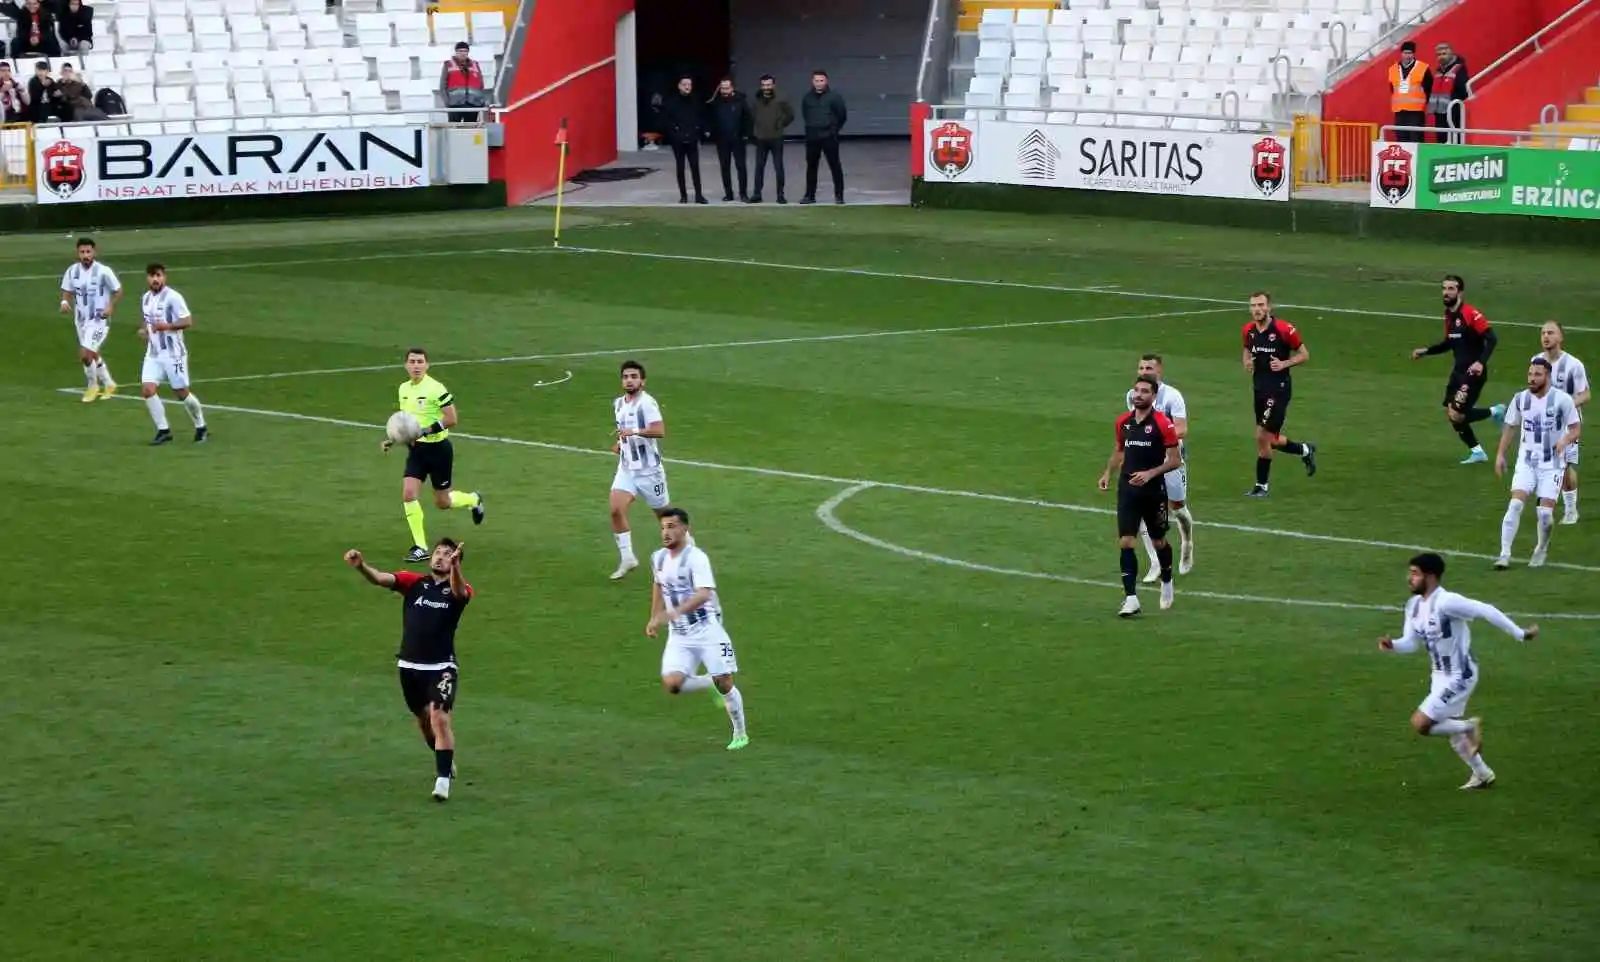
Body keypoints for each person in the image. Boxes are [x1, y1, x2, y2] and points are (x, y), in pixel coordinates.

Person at [1377, 552, 1537, 790]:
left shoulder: (1447, 602)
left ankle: (1469, 726)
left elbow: (1486, 609)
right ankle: (1482, 774)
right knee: (1446, 726)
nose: (1409, 579)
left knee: (1421, 723)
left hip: (1460, 675)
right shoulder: (1412, 606)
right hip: (1439, 676)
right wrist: (1394, 645)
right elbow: (1411, 643)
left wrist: (1519, 633)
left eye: (1415, 574)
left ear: (1430, 577)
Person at [344, 538, 472, 802]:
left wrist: (457, 568)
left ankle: (442, 780)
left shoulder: (459, 588)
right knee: (425, 722)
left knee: (440, 717)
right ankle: (443, 758)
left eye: (447, 555)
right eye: (437, 552)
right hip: (409, 667)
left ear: (454, 561)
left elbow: (461, 594)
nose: (440, 557)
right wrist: (361, 567)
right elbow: (380, 579)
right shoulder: (414, 582)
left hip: (442, 667)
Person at [645, 508, 748, 751]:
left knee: (724, 682)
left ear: (684, 529)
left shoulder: (696, 558)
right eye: (663, 528)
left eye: (671, 527)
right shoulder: (658, 558)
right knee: (672, 684)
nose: (666, 532)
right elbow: (658, 584)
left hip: (706, 629)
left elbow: (705, 593)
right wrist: (653, 617)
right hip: (679, 634)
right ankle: (707, 683)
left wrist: (677, 611)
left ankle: (740, 733)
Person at [385, 348, 485, 563]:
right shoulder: (403, 389)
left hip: (439, 450)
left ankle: (473, 499)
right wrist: (393, 440)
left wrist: (426, 431)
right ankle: (420, 547)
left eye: (420, 361)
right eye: (412, 361)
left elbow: (452, 418)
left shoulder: (435, 388)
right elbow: (406, 423)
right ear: (406, 365)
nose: (416, 365)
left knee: (443, 502)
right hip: (417, 451)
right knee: (408, 494)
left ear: (427, 365)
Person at [1099, 376, 1182, 617]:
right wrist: (1107, 473)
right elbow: (1119, 450)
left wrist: (1150, 473)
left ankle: (1167, 579)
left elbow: (1175, 460)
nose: (1138, 394)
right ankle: (1131, 598)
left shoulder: (1162, 424)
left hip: (1153, 490)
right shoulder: (1123, 422)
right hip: (1127, 490)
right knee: (1126, 541)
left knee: (1158, 541)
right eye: (1136, 390)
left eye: (1144, 391)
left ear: (1153, 396)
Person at [1493, 358, 1581, 569]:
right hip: (1527, 461)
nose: (1532, 378)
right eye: (1530, 374)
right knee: (1515, 505)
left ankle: (1541, 547)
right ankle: (1504, 555)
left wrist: (1564, 440)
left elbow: (1576, 428)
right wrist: (1500, 455)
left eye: (1537, 375)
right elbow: (1510, 427)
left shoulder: (1562, 400)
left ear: (1547, 377)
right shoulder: (1520, 399)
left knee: (1545, 515)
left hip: (1552, 464)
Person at [1410, 274, 1504, 463]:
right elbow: (1449, 343)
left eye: (1451, 288)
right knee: (1451, 413)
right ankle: (1477, 452)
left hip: (1473, 374)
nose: (1446, 292)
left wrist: (1480, 362)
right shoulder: (1449, 316)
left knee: (1457, 414)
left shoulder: (1470, 313)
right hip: (1458, 372)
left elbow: (1492, 338)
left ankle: (1497, 411)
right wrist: (1426, 351)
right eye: (1444, 288)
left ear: (1459, 292)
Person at [1125, 354, 1194, 581]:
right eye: (1142, 367)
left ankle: (1187, 542)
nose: (1145, 371)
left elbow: (1182, 429)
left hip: (1170, 459)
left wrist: (1159, 435)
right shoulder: (1132, 395)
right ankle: (1155, 562)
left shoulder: (1172, 396)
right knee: (1145, 511)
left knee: (1178, 508)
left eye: (1149, 368)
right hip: (1146, 461)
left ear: (1159, 371)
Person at [1241, 291, 1316, 496]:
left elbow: (1304, 355)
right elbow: (1247, 350)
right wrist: (1247, 362)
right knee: (1270, 439)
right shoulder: (1248, 330)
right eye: (1253, 305)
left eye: (1261, 305)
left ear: (1269, 307)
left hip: (1279, 389)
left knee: (1262, 436)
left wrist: (1284, 363)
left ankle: (1261, 486)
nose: (1257, 309)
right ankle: (1305, 450)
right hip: (1259, 390)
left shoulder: (1284, 329)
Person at [608, 359, 669, 580]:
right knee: (615, 510)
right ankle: (628, 558)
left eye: (634, 376)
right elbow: (623, 431)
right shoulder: (618, 404)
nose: (629, 380)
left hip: (649, 471)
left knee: (665, 517)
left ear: (642, 381)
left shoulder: (647, 403)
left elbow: (659, 431)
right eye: (626, 376)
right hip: (626, 469)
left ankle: (687, 548)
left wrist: (632, 431)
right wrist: (621, 445)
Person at [137, 263, 208, 445]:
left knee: (181, 392)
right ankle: (164, 430)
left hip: (173, 354)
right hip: (153, 354)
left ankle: (201, 426)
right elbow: (148, 321)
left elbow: (188, 321)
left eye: (158, 275)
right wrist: (145, 330)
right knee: (147, 390)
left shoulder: (174, 297)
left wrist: (167, 326)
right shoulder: (145, 298)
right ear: (147, 278)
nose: (155, 279)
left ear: (164, 277)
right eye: (152, 276)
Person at [1532, 321, 1588, 523]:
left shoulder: (1574, 365)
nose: (1546, 336)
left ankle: (1571, 510)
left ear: (1560, 337)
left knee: (1564, 466)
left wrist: (1566, 404)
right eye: (1543, 333)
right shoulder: (1536, 360)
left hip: (1568, 424)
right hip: (1543, 423)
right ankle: (1546, 505)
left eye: (1550, 332)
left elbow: (1586, 394)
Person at [59, 237, 122, 403]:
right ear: (77, 253)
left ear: (94, 252)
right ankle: (109, 383)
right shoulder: (72, 271)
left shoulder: (103, 271)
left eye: (88, 252)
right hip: (81, 320)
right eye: (82, 252)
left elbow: (118, 291)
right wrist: (65, 302)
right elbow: (67, 289)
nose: (85, 255)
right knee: (92, 353)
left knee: (85, 354)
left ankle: (92, 386)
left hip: (99, 320)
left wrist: (110, 307)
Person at [799, 69, 846, 205]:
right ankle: (809, 195)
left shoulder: (834, 97)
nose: (819, 83)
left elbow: (842, 115)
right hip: (812, 137)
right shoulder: (807, 97)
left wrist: (834, 130)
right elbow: (805, 114)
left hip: (829, 137)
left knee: (835, 166)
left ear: (826, 81)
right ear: (812, 82)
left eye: (821, 81)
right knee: (811, 167)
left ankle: (839, 196)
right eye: (816, 81)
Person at [661, 75, 707, 205]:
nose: (687, 87)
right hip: (678, 141)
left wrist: (698, 131)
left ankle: (699, 195)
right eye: (685, 84)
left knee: (695, 167)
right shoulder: (671, 102)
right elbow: (667, 120)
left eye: (689, 84)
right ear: (679, 86)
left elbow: (701, 117)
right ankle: (683, 196)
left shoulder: (696, 100)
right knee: (680, 168)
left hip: (692, 139)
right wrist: (675, 133)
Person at [749, 74, 793, 204]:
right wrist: (756, 130)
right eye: (764, 85)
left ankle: (780, 195)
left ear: (773, 85)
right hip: (761, 138)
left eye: (768, 85)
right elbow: (752, 115)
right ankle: (757, 194)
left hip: (776, 138)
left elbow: (790, 115)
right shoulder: (756, 99)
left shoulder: (781, 98)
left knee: (778, 167)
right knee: (759, 167)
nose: (766, 87)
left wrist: (780, 125)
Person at [709, 77, 751, 203]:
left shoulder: (741, 101)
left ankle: (743, 194)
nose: (724, 90)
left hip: (738, 139)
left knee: (741, 167)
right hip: (722, 140)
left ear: (732, 88)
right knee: (724, 167)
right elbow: (712, 119)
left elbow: (748, 118)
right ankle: (728, 194)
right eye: (722, 88)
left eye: (727, 88)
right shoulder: (716, 102)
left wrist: (746, 135)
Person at [1388, 40, 1430, 143]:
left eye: (1410, 53)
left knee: (1416, 140)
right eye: (1405, 52)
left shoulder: (1423, 68)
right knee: (1401, 141)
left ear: (1414, 54)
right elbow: (1392, 89)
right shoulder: (1392, 69)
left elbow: (1429, 89)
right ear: (1401, 53)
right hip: (1399, 112)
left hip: (1416, 113)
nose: (1408, 55)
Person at [1429, 42, 1468, 145]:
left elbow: (1463, 90)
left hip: (1453, 111)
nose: (1441, 57)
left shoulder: (1459, 69)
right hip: (1439, 112)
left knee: (1454, 140)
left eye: (1444, 54)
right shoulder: (1438, 70)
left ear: (1451, 54)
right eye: (1439, 55)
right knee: (1441, 139)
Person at [438, 41, 487, 123]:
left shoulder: (475, 65)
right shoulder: (448, 65)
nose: (462, 53)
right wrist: (447, 102)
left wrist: (480, 101)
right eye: (460, 51)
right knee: (454, 130)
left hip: (472, 104)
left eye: (465, 51)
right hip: (454, 104)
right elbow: (443, 86)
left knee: (470, 130)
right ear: (456, 52)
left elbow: (481, 85)